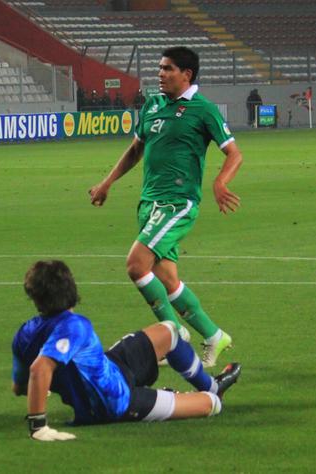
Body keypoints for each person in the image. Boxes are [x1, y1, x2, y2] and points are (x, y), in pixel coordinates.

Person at [88, 47, 243, 368]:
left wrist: (220, 182)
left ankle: (172, 333)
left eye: (168, 68)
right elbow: (136, 149)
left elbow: (234, 153)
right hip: (149, 202)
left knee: (136, 265)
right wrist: (107, 182)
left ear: (186, 74)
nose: (160, 73)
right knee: (167, 279)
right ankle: (214, 335)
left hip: (178, 203)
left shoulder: (203, 110)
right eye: (160, 67)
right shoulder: (153, 105)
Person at [12, 260, 241, 441]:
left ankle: (213, 385)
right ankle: (202, 394)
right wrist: (38, 426)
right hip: (115, 402)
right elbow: (39, 369)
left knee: (169, 331)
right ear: (71, 289)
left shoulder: (24, 334)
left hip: (110, 368)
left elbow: (20, 386)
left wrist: (48, 386)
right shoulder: (74, 325)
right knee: (211, 404)